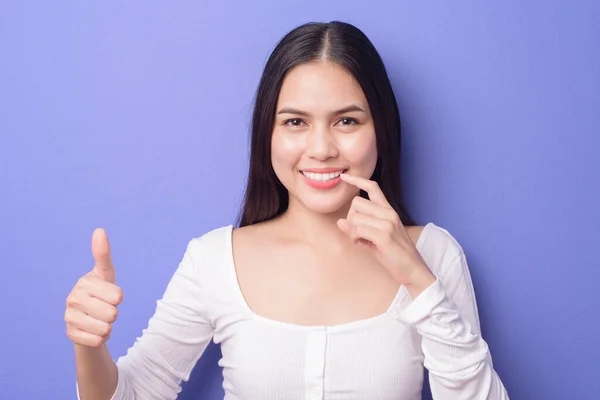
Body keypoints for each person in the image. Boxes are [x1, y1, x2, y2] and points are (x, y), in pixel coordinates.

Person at [65, 21, 509, 400]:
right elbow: (135, 392)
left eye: (347, 121)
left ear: (382, 130)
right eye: (295, 122)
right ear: (268, 134)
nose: (320, 148)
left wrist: (418, 279)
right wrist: (89, 346)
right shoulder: (214, 260)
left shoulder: (434, 254)